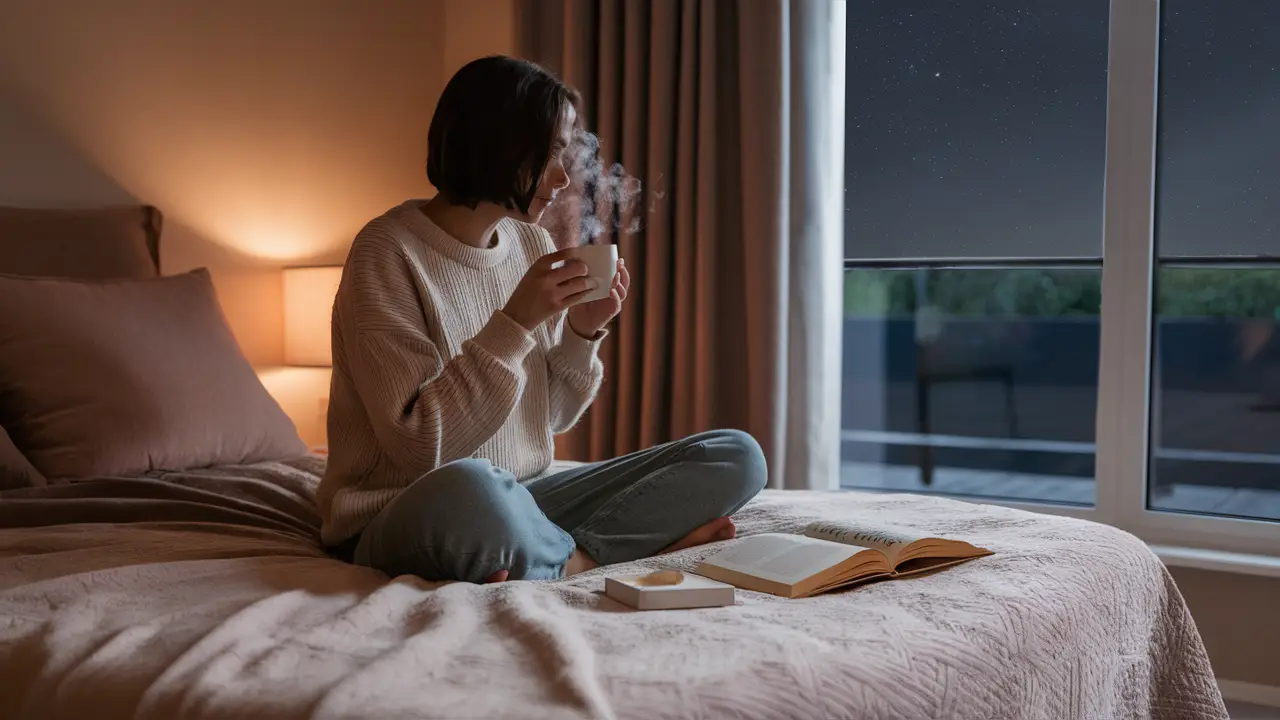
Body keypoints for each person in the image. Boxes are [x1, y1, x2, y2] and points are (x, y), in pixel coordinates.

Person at [318, 55, 766, 584]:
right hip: (407, 508)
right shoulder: (387, 252)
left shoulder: (530, 243)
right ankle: (583, 558)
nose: (562, 176)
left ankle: (563, 556)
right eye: (552, 152)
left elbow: (547, 419)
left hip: (524, 497)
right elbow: (420, 450)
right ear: (496, 142)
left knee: (736, 455)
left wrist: (582, 332)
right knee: (471, 489)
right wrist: (513, 323)